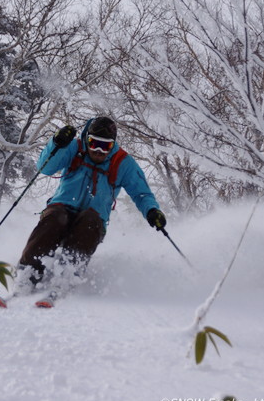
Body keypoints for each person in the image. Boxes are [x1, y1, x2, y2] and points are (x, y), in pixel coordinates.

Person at [15, 116, 167, 292]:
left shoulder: (122, 162)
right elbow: (45, 167)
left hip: (92, 219)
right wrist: (57, 143)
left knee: (90, 218)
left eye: (105, 146)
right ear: (87, 139)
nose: (98, 151)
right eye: (94, 143)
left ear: (113, 145)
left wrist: (152, 211)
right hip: (61, 207)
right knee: (56, 216)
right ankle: (28, 272)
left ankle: (69, 273)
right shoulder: (74, 148)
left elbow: (141, 193)